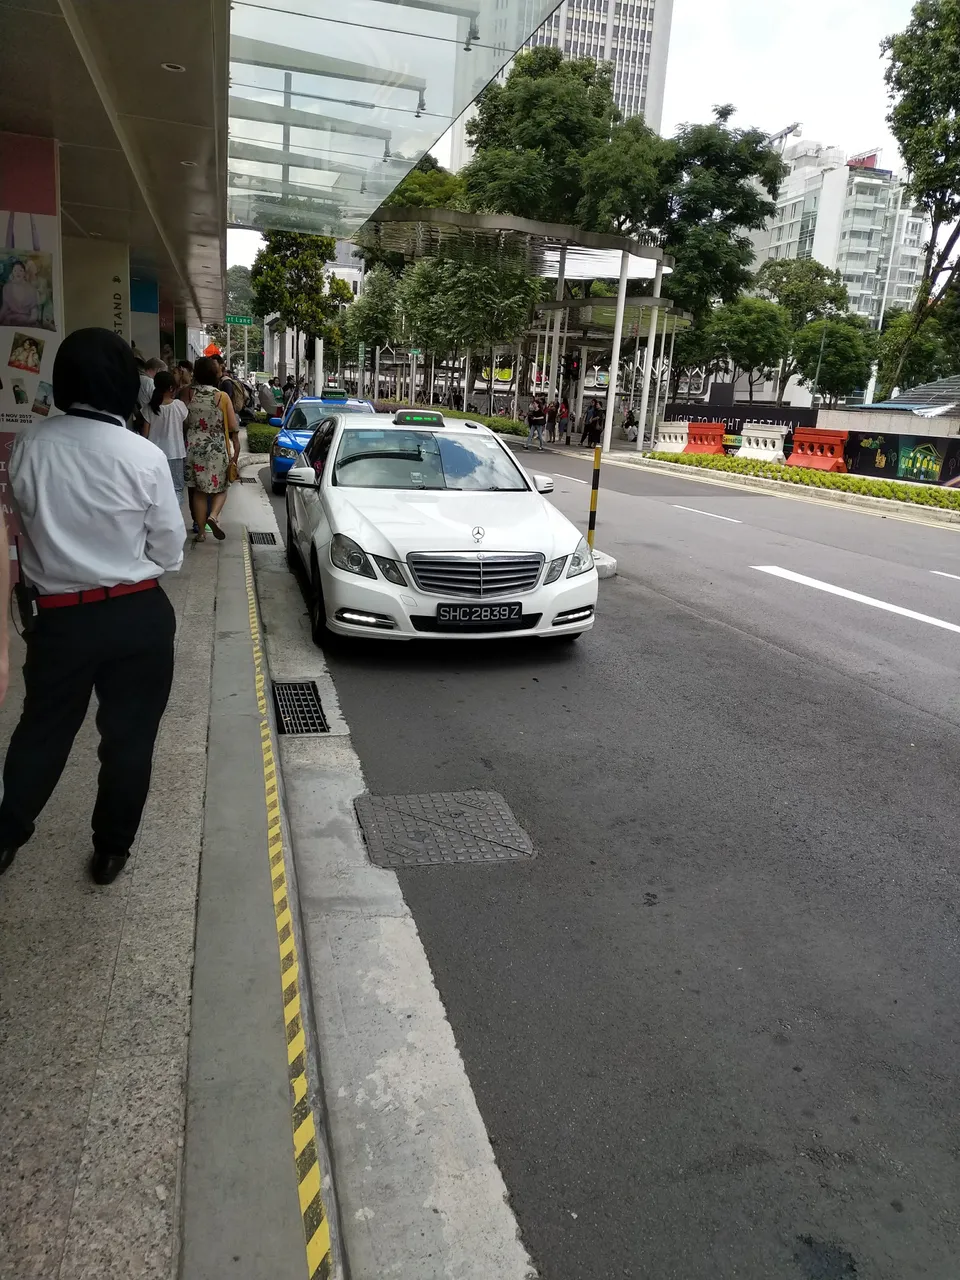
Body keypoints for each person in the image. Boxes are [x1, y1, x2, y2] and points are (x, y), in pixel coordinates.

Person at [0, 327, 184, 884]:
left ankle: (6, 838)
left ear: (65, 381)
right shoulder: (142, 455)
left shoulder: (30, 444)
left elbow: (23, 524)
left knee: (43, 730)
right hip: (136, 615)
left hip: (57, 619)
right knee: (129, 738)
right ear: (127, 384)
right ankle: (111, 851)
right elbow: (170, 551)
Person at [184, 355, 239, 543]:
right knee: (221, 487)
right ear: (215, 374)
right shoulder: (221, 396)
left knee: (199, 491)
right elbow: (232, 426)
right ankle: (213, 516)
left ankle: (200, 533)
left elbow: (182, 419)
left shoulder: (189, 394)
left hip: (194, 446)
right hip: (216, 447)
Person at [141, 370, 188, 507]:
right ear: (171, 388)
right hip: (176, 453)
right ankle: (175, 517)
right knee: (177, 489)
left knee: (156, 490)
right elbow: (186, 426)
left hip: (154, 455)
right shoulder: (179, 406)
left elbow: (145, 434)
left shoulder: (149, 408)